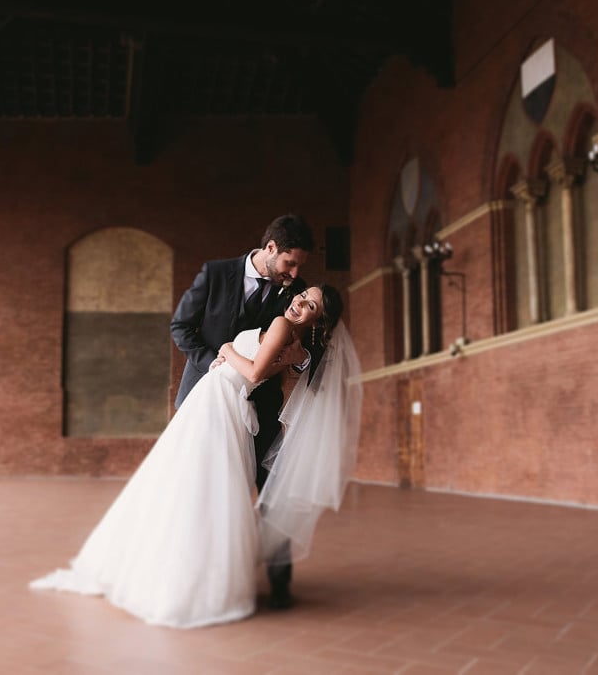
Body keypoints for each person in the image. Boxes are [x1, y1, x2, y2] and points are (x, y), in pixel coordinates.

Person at [30, 285, 360, 629]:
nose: (299, 302)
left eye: (310, 306)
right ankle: (194, 575)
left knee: (187, 483)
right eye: (302, 295)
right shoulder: (292, 340)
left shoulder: (282, 327)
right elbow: (269, 368)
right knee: (197, 484)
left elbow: (253, 373)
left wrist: (227, 349)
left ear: (318, 321)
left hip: (220, 399)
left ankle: (174, 573)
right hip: (219, 399)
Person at [170, 213, 315, 609]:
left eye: (299, 266)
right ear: (270, 248)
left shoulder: (296, 293)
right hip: (207, 399)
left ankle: (279, 584)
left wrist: (298, 360)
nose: (294, 274)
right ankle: (197, 578)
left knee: (273, 491)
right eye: (289, 263)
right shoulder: (216, 274)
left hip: (261, 408)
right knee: (201, 493)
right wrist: (214, 363)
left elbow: (305, 347)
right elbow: (181, 327)